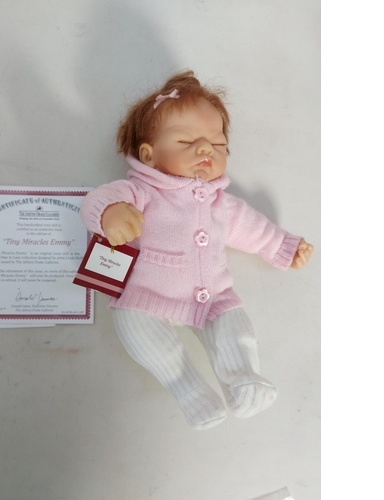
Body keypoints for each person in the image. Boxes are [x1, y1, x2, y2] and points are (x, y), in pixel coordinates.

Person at [80, 71, 314, 430]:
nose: (206, 149)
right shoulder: (141, 192)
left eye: (218, 144)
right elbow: (97, 200)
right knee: (137, 328)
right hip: (146, 294)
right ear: (148, 154)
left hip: (212, 295)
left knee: (234, 327)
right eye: (187, 140)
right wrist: (110, 213)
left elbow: (252, 229)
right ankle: (188, 391)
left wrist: (282, 246)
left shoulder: (222, 204)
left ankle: (243, 379)